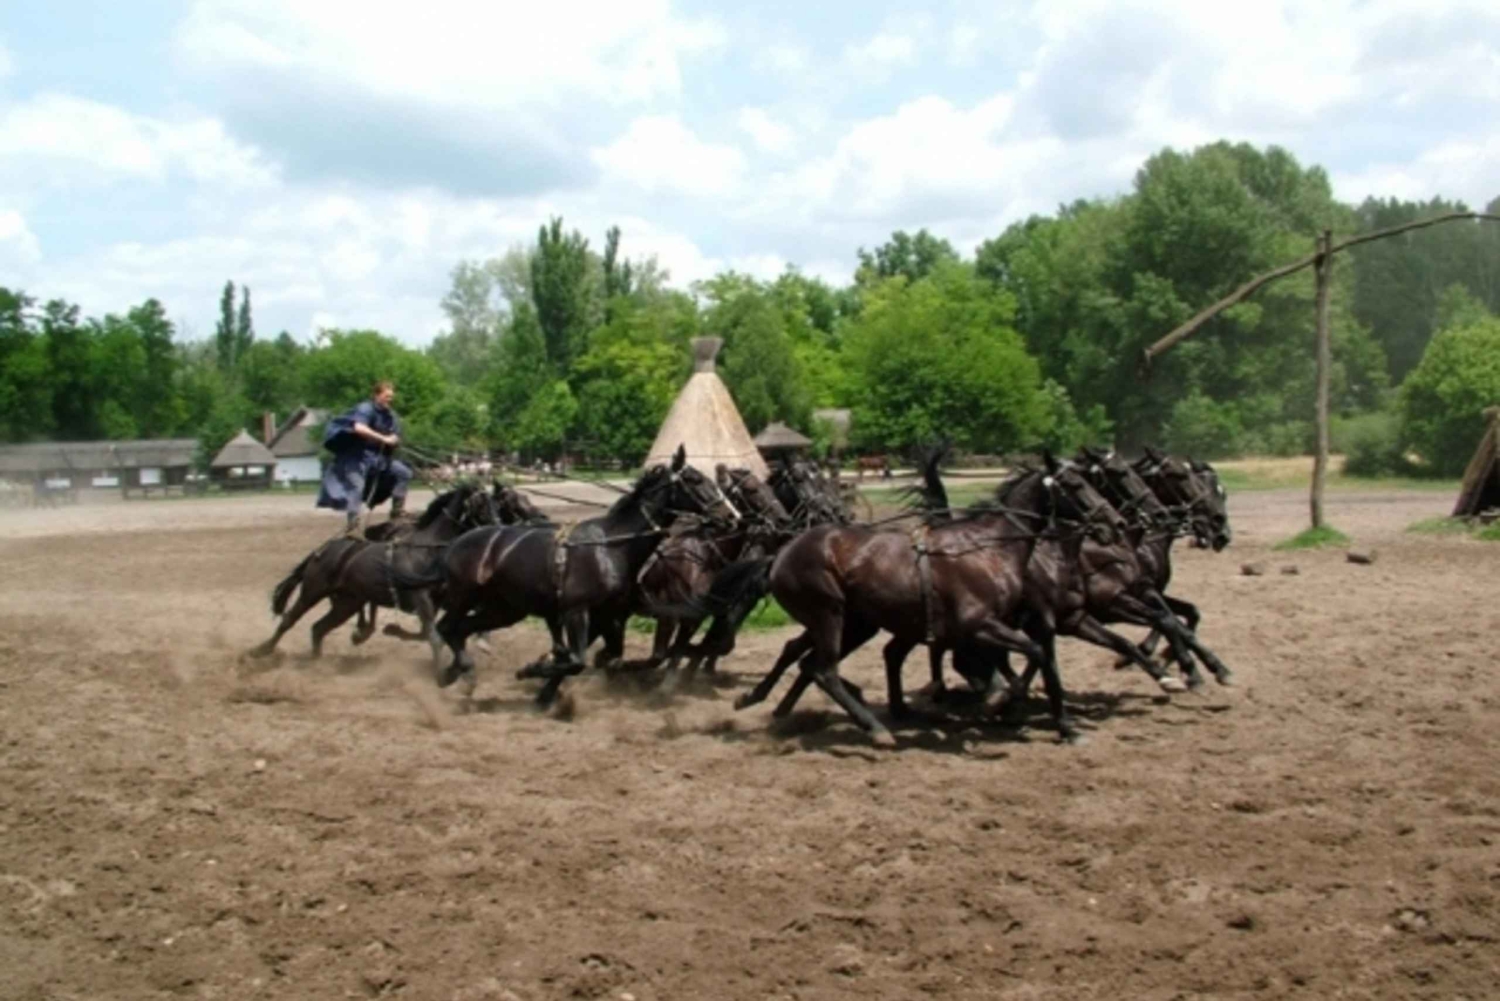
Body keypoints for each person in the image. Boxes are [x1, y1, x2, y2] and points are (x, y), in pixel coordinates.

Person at [316, 380, 413, 537]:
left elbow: (395, 434)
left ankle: (397, 512)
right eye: (387, 396)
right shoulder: (365, 409)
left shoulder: (391, 415)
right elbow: (359, 428)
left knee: (404, 473)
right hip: (357, 457)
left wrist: (394, 439)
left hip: (379, 459)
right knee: (357, 486)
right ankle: (353, 525)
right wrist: (383, 438)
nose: (390, 399)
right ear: (376, 395)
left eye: (391, 397)